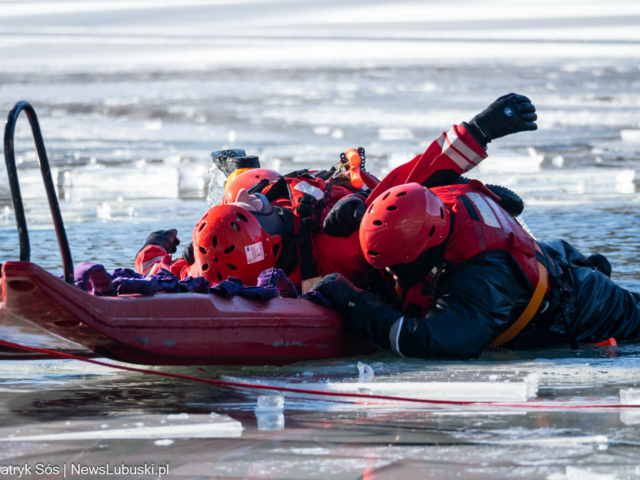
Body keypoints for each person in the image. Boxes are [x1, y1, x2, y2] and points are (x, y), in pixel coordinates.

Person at [311, 94, 640, 359]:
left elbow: (434, 342)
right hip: (552, 264)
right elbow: (422, 174)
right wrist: (361, 212)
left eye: (397, 265)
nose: (393, 273)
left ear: (426, 246)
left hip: (590, 309)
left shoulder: (478, 278)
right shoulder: (435, 201)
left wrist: (352, 300)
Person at [135, 93, 532, 291]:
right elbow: (410, 180)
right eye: (257, 210)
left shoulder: (212, 259)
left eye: (251, 206)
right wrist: (480, 131)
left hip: (303, 192)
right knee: (404, 201)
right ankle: (467, 193)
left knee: (247, 182)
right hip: (360, 206)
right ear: (269, 240)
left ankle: (235, 174)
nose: (257, 204)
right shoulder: (336, 250)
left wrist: (153, 248)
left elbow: (158, 272)